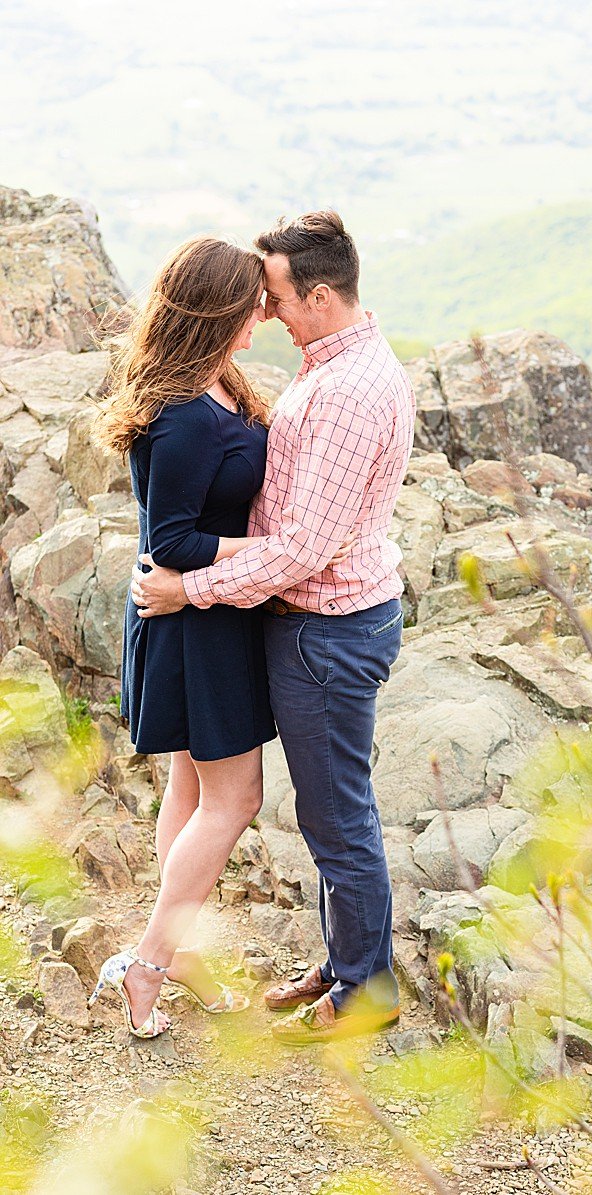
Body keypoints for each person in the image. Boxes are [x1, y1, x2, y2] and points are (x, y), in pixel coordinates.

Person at [131, 211, 415, 1045]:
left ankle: (364, 987)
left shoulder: (352, 390)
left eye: (279, 298)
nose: (269, 313)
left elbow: (299, 549)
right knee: (304, 808)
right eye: (256, 301)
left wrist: (196, 588)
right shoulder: (324, 365)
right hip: (286, 621)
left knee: (337, 817)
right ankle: (342, 964)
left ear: (320, 297)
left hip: (326, 629)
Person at [89, 237, 276, 1039]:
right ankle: (149, 960)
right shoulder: (186, 417)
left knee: (192, 791)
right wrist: (275, 550)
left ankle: (180, 953)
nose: (264, 314)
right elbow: (172, 542)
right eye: (253, 303)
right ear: (216, 312)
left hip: (203, 620)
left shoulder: (214, 384)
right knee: (237, 796)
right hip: (196, 626)